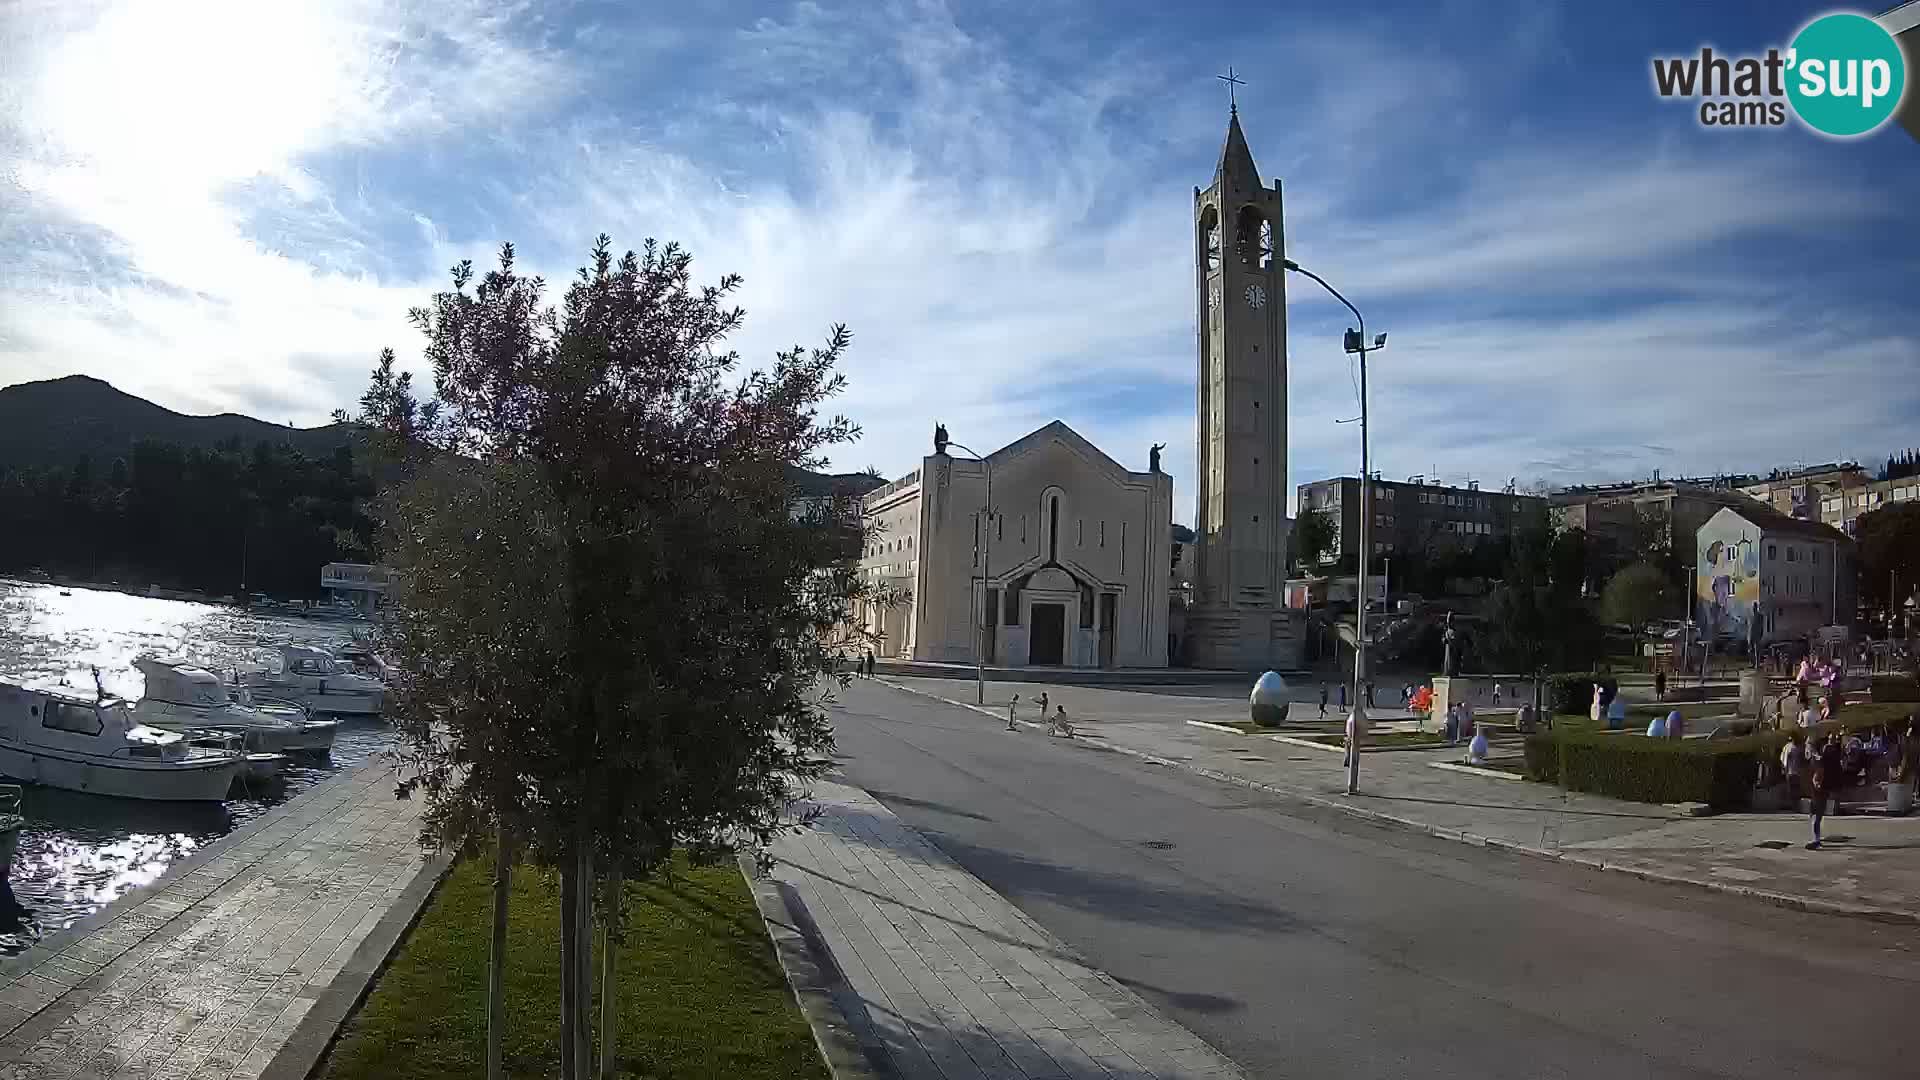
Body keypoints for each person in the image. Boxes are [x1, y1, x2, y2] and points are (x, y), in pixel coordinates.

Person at [1809, 733, 1842, 849]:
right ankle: (1816, 838)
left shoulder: (1821, 758)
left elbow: (1818, 773)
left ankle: (1816, 839)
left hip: (1820, 787)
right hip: (1823, 787)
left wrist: (1816, 782)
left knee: (1816, 815)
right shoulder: (1825, 755)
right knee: (1817, 814)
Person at [1781, 733, 1807, 801]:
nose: (1794, 740)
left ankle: (1795, 803)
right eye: (1793, 738)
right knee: (1790, 788)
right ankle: (1790, 803)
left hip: (1798, 772)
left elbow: (1803, 759)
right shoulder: (1787, 747)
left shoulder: (1800, 747)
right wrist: (1784, 768)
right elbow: (1783, 758)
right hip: (1789, 771)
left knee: (1797, 788)